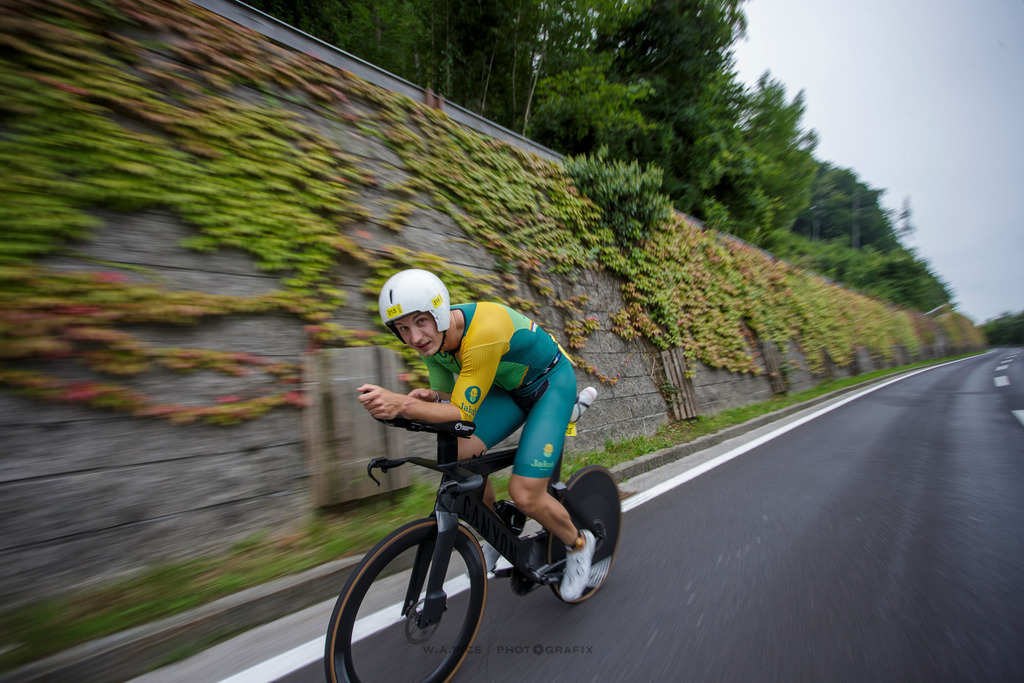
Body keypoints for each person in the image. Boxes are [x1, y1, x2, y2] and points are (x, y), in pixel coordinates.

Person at [357, 268, 596, 600]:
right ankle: (500, 527)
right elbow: (448, 399)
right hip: (506, 387)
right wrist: (430, 397)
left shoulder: (481, 335)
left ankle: (579, 544)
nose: (414, 338)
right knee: (461, 457)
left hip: (549, 385)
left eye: (420, 322)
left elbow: (460, 413)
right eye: (403, 328)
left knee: (526, 494)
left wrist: (401, 404)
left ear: (438, 312)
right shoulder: (435, 342)